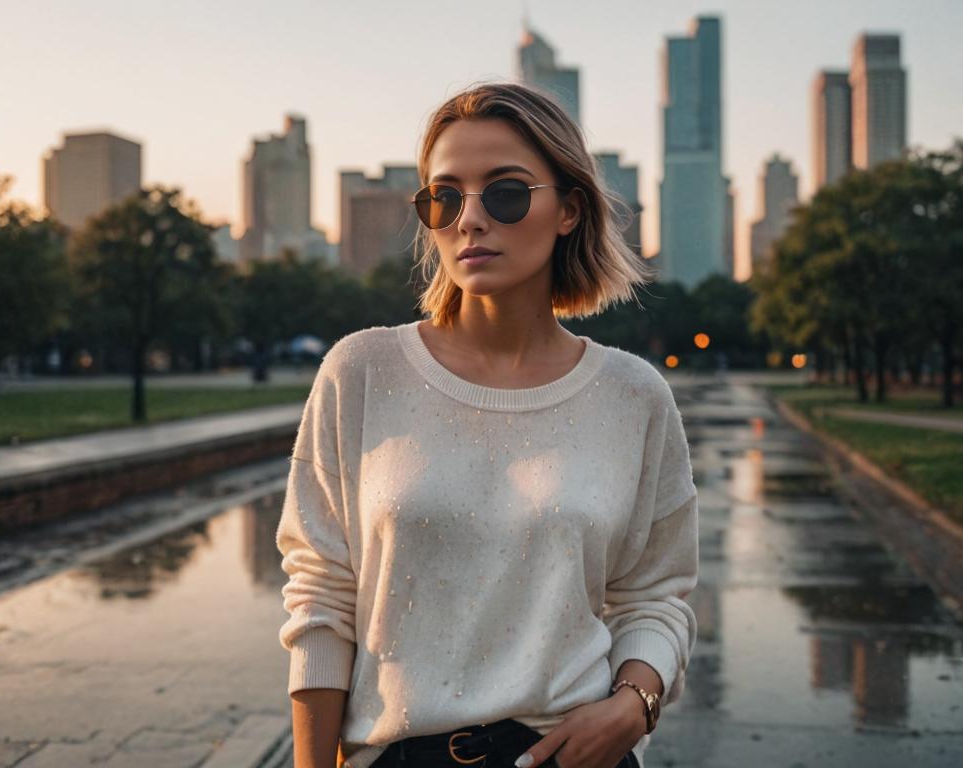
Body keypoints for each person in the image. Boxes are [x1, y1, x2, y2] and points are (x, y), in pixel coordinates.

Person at [277, 81, 699, 768]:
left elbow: (656, 593)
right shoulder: (361, 371)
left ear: (568, 210)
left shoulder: (633, 395)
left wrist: (632, 705)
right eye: (444, 197)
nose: (469, 219)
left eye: (504, 193)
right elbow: (320, 592)